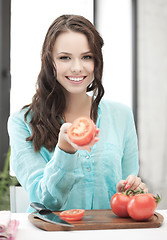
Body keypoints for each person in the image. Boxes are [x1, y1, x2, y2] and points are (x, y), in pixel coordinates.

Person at [8, 14, 148, 213]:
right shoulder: (22, 122)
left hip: (108, 232)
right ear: (49, 61)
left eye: (86, 57)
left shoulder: (122, 115)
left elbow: (127, 189)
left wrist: (129, 192)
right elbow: (45, 203)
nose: (76, 67)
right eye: (64, 57)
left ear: (97, 61)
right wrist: (65, 150)